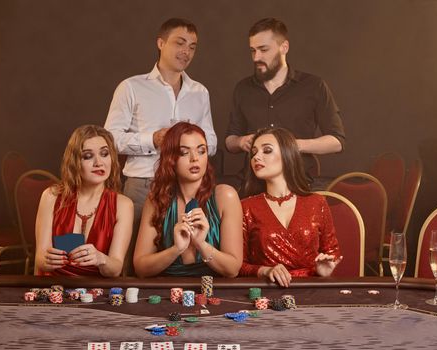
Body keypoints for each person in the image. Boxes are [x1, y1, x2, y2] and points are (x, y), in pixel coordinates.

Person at [105, 18, 217, 275]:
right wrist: (152, 140)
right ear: (160, 43)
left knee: (182, 257)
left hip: (185, 189)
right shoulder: (131, 87)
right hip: (143, 184)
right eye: (180, 43)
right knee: (133, 261)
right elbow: (110, 139)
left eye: (192, 46)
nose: (186, 51)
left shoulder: (200, 92)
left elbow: (211, 142)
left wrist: (187, 141)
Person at [225, 18, 345, 187]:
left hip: (300, 183)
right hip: (252, 183)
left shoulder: (314, 86)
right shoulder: (243, 88)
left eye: (263, 49)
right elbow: (230, 141)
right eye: (253, 50)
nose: (256, 57)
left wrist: (294, 145)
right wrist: (240, 141)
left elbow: (337, 142)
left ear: (284, 47)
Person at [133, 122, 242, 277]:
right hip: (167, 293)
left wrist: (201, 245)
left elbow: (232, 269)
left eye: (201, 151)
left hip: (214, 292)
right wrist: (176, 249)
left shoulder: (225, 196)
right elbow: (141, 268)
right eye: (184, 152)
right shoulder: (156, 200)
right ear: (170, 159)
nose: (194, 158)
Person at [239, 127, 342, 287]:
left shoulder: (317, 202)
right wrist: (265, 271)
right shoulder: (246, 207)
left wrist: (323, 270)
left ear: (288, 154)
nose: (256, 157)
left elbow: (332, 252)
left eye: (267, 150)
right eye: (254, 152)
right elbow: (239, 265)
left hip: (311, 291)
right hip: (267, 292)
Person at [35, 125, 133, 277]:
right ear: (74, 162)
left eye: (105, 154)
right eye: (88, 156)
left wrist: (101, 259)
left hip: (96, 293)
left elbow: (115, 268)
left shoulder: (123, 205)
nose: (99, 163)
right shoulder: (51, 196)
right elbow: (40, 259)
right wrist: (47, 261)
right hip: (56, 288)